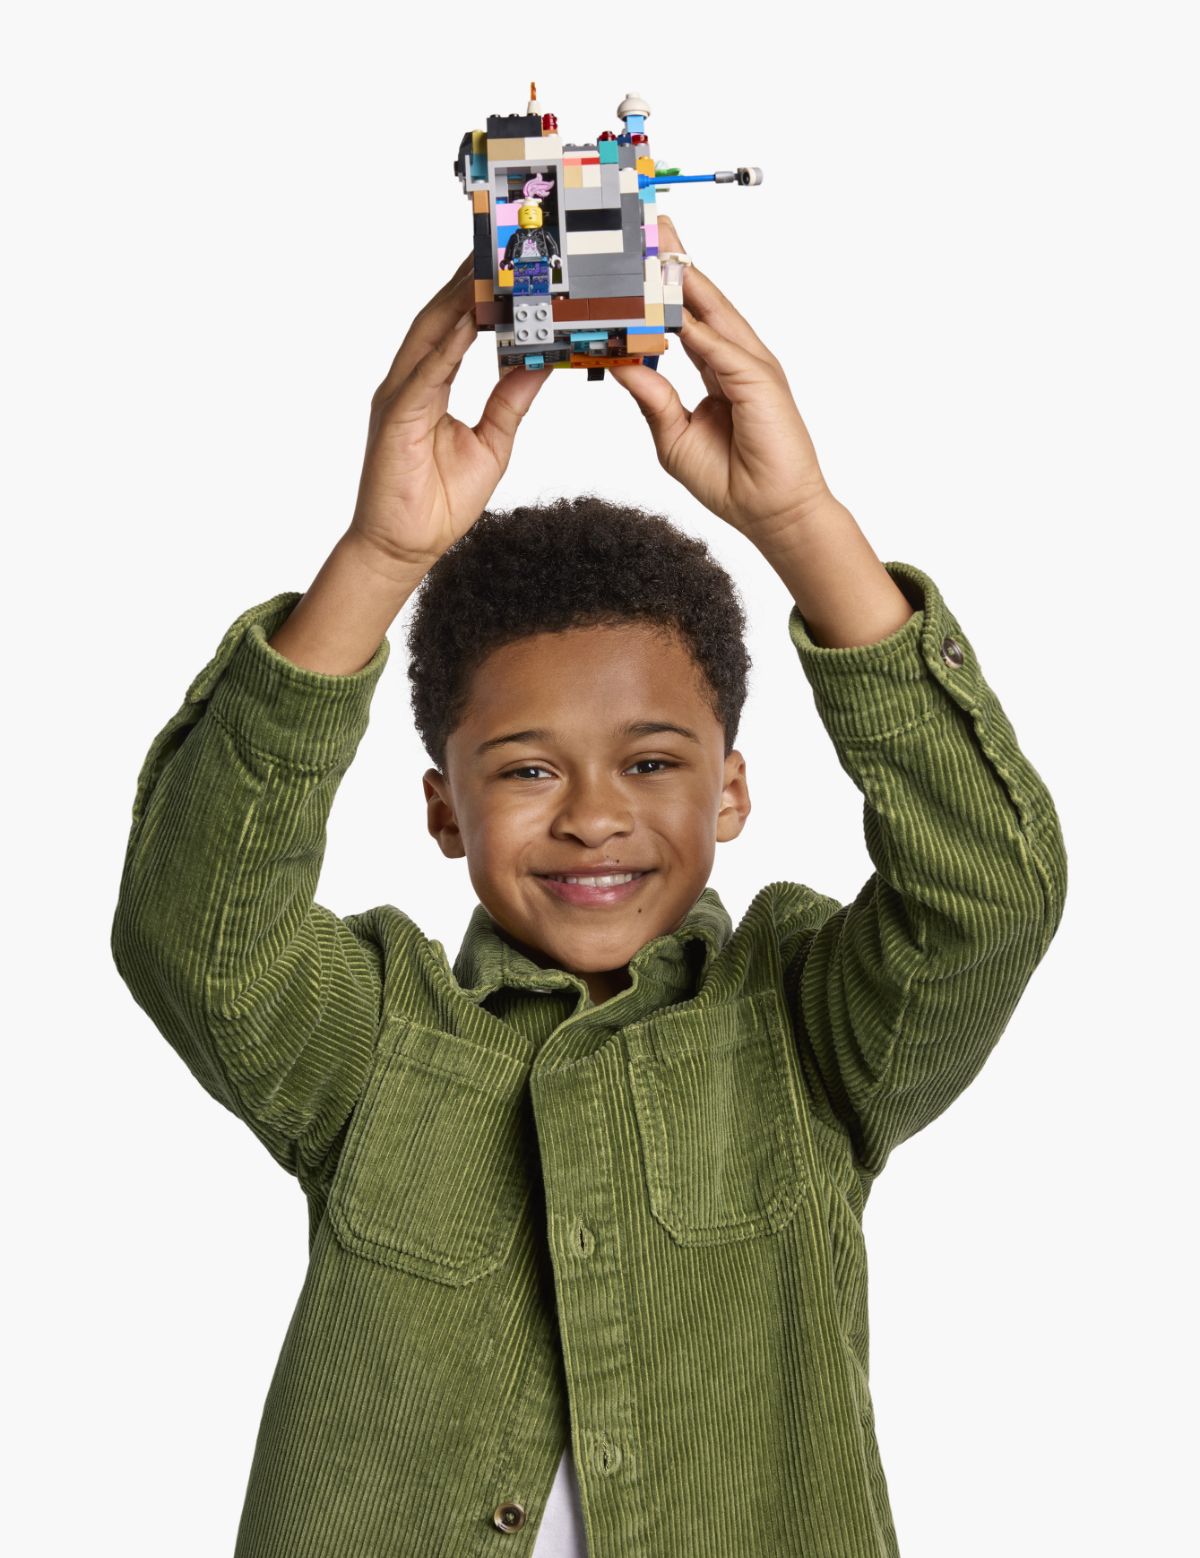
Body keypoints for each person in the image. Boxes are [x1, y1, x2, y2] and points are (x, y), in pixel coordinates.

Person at [110, 212, 1068, 1557]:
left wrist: (800, 522)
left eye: (655, 759)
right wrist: (378, 561)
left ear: (731, 789)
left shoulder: (805, 1027)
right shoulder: (374, 1039)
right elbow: (192, 932)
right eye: (524, 772)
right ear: (443, 809)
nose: (597, 815)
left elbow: (991, 894)